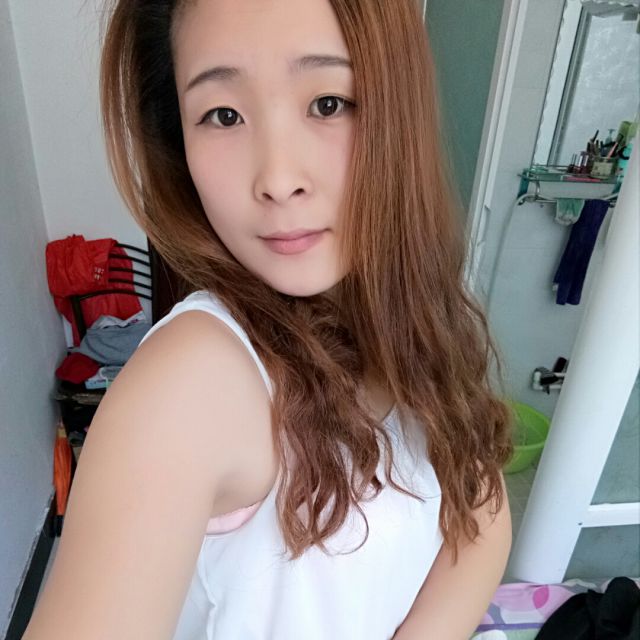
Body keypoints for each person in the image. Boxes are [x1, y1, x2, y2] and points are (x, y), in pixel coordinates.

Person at [24, 0, 514, 638]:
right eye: (223, 115)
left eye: (328, 103)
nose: (278, 179)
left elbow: (480, 515)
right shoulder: (192, 379)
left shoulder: (412, 316)